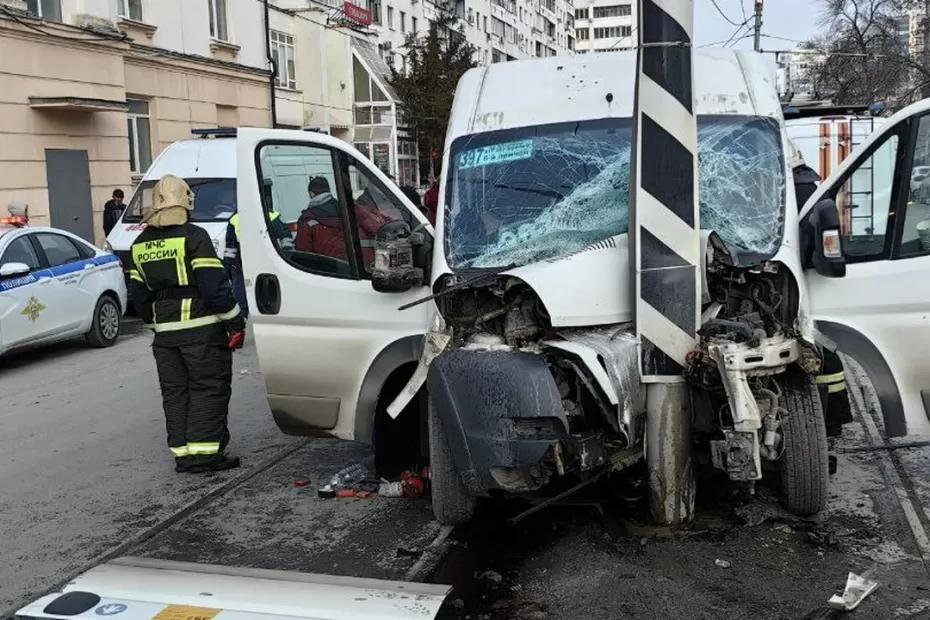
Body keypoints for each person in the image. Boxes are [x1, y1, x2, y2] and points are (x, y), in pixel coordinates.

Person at [127, 174, 245, 473]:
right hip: (202, 330)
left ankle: (183, 454)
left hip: (165, 337)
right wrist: (234, 321)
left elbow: (139, 296)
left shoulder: (139, 244)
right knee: (208, 388)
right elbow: (214, 286)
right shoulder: (194, 237)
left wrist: (156, 324)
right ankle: (205, 456)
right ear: (187, 203)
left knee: (175, 392)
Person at [789, 140, 851, 437]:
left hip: (805, 283)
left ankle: (829, 421)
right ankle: (832, 420)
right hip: (810, 278)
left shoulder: (798, 193)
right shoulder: (809, 190)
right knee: (822, 350)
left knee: (819, 352)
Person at [224, 208, 292, 319]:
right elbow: (230, 249)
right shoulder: (235, 220)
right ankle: (243, 330)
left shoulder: (270, 216)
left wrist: (286, 259)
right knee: (243, 302)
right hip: (244, 268)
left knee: (267, 303)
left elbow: (286, 240)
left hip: (263, 267)